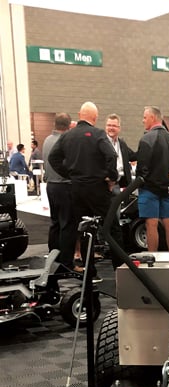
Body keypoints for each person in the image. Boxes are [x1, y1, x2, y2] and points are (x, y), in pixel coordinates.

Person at [48, 101, 121, 277]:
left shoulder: (67, 136)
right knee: (112, 226)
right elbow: (111, 155)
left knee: (84, 228)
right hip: (97, 188)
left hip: (76, 188)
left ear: (80, 115)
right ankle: (120, 267)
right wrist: (111, 177)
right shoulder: (98, 134)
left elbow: (53, 158)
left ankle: (89, 270)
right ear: (95, 118)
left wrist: (69, 174)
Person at [42, 112, 81, 273]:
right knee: (67, 225)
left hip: (50, 186)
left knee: (55, 224)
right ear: (68, 126)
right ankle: (66, 263)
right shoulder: (64, 142)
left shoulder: (47, 140)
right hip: (64, 186)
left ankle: (54, 259)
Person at [136, 105, 169, 251]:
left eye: (145, 117)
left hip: (149, 189)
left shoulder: (147, 139)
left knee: (151, 223)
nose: (143, 120)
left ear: (152, 118)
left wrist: (140, 183)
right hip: (168, 189)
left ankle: (152, 256)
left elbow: (142, 168)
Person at [105, 113, 137, 190]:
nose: (111, 128)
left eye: (114, 126)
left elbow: (133, 156)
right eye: (109, 125)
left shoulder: (122, 143)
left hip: (122, 184)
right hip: (107, 185)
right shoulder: (101, 143)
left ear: (119, 128)